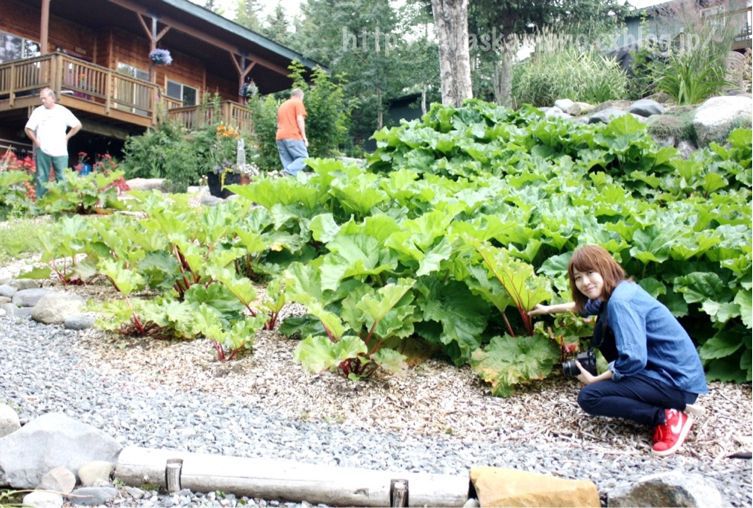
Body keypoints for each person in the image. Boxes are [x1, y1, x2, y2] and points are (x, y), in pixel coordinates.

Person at [529, 244, 707, 457]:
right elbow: (585, 307)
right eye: (578, 278)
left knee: (590, 397)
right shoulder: (619, 290)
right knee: (607, 374)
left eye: (590, 273)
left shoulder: (620, 303)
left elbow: (633, 360)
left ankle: (666, 417)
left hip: (676, 383)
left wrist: (595, 380)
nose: (585, 282)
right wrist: (549, 309)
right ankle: (666, 406)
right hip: (671, 374)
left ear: (604, 268)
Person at [24, 87, 82, 198]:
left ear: (52, 98)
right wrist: (36, 141)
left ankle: (64, 203)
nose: (42, 101)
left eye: (44, 98)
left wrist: (67, 137)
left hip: (60, 150)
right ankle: (40, 205)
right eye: (41, 99)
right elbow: (28, 129)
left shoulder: (62, 111)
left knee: (62, 178)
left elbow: (77, 125)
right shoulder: (38, 112)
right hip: (43, 149)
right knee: (42, 177)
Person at [275, 88, 308, 176]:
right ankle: (286, 172)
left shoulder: (282, 105)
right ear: (300, 96)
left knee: (289, 163)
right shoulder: (297, 102)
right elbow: (300, 119)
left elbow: (278, 123)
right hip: (292, 135)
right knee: (303, 158)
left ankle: (286, 176)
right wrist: (304, 137)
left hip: (279, 137)